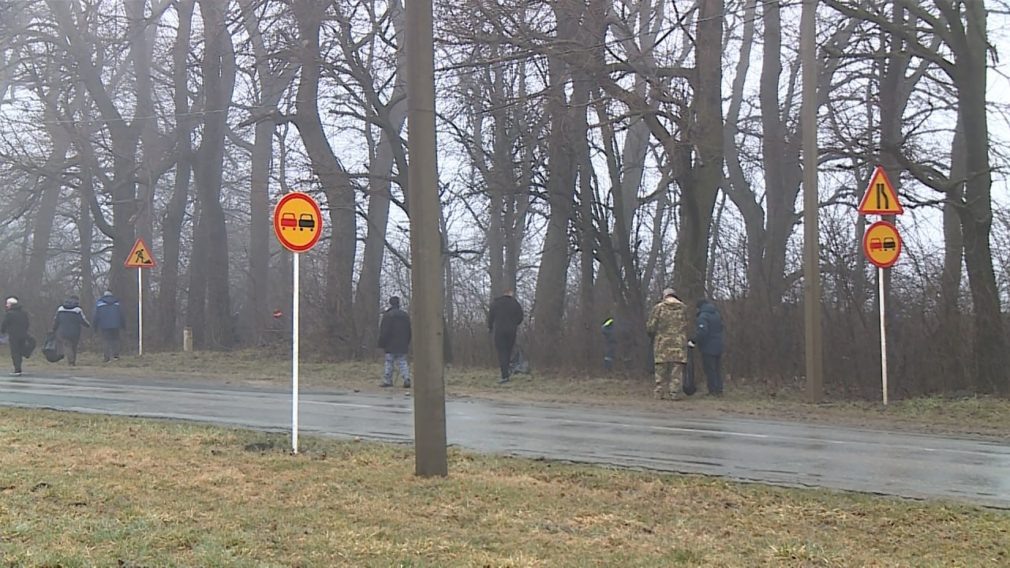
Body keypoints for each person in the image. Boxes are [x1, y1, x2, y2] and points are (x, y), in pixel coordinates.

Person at [646, 288, 688, 400]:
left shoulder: (659, 308)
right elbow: (687, 324)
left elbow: (651, 326)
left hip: (662, 342)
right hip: (679, 343)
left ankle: (659, 392)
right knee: (677, 369)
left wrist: (652, 334)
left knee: (660, 368)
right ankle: (675, 393)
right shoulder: (683, 308)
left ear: (664, 296)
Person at [689, 298, 725, 396]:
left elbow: (702, 332)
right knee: (717, 369)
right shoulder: (716, 314)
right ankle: (719, 390)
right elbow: (721, 327)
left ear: (699, 307)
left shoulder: (703, 316)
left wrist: (693, 341)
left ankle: (713, 391)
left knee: (710, 369)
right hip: (719, 344)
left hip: (708, 346)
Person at [488, 288, 523, 384]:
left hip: (499, 331)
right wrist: (514, 324)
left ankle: (504, 375)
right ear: (510, 293)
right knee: (508, 351)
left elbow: (490, 317)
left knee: (502, 352)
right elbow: (520, 317)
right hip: (511, 331)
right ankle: (507, 372)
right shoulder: (515, 303)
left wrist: (490, 328)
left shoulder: (496, 303)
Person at [377, 296, 411, 388]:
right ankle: (406, 378)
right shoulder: (405, 315)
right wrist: (407, 341)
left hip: (390, 343)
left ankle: (388, 380)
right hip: (402, 343)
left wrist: (381, 343)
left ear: (391, 303)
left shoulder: (388, 315)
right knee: (402, 362)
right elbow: (409, 330)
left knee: (389, 362)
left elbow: (384, 331)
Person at [53, 295, 90, 367]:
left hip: (63, 331)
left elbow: (56, 321)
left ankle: (71, 361)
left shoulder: (60, 309)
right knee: (74, 346)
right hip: (75, 332)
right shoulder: (78, 310)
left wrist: (54, 329)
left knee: (67, 346)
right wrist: (88, 325)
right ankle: (73, 361)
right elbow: (83, 320)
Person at [93, 290, 126, 362]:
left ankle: (106, 358)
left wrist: (95, 327)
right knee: (116, 340)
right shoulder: (117, 303)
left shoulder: (99, 303)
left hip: (104, 325)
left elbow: (96, 316)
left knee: (106, 341)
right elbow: (121, 315)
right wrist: (123, 325)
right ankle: (116, 356)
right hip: (116, 325)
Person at [1, 296, 29, 376]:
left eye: (7, 304)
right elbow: (27, 323)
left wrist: (2, 331)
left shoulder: (9, 314)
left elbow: (4, 324)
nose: (6, 305)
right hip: (23, 334)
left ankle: (17, 369)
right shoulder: (24, 312)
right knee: (20, 351)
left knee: (15, 352)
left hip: (14, 335)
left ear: (11, 304)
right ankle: (19, 366)